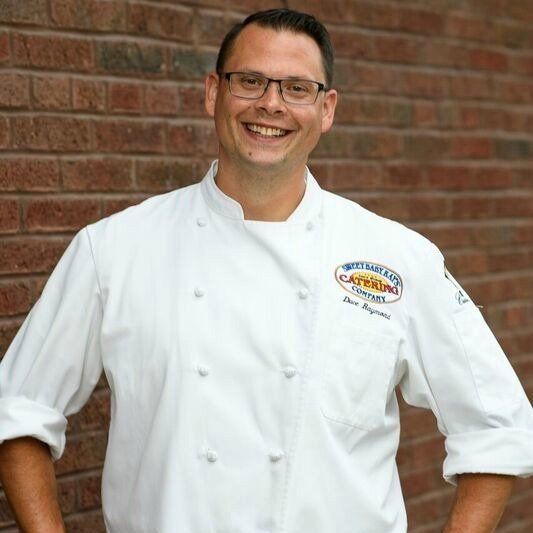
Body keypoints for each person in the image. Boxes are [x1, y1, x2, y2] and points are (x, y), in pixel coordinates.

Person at [0, 8, 532, 533]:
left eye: (297, 89)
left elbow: (496, 425)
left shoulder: (398, 257)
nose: (271, 104)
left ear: (327, 110)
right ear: (213, 93)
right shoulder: (114, 249)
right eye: (250, 81)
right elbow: (17, 410)